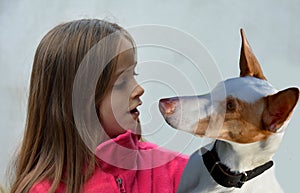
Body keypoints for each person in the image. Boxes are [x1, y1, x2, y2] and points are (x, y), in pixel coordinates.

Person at [10, 19, 188, 193]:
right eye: (121, 82)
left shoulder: (178, 171)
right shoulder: (43, 189)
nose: (139, 89)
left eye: (133, 74)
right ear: (80, 103)